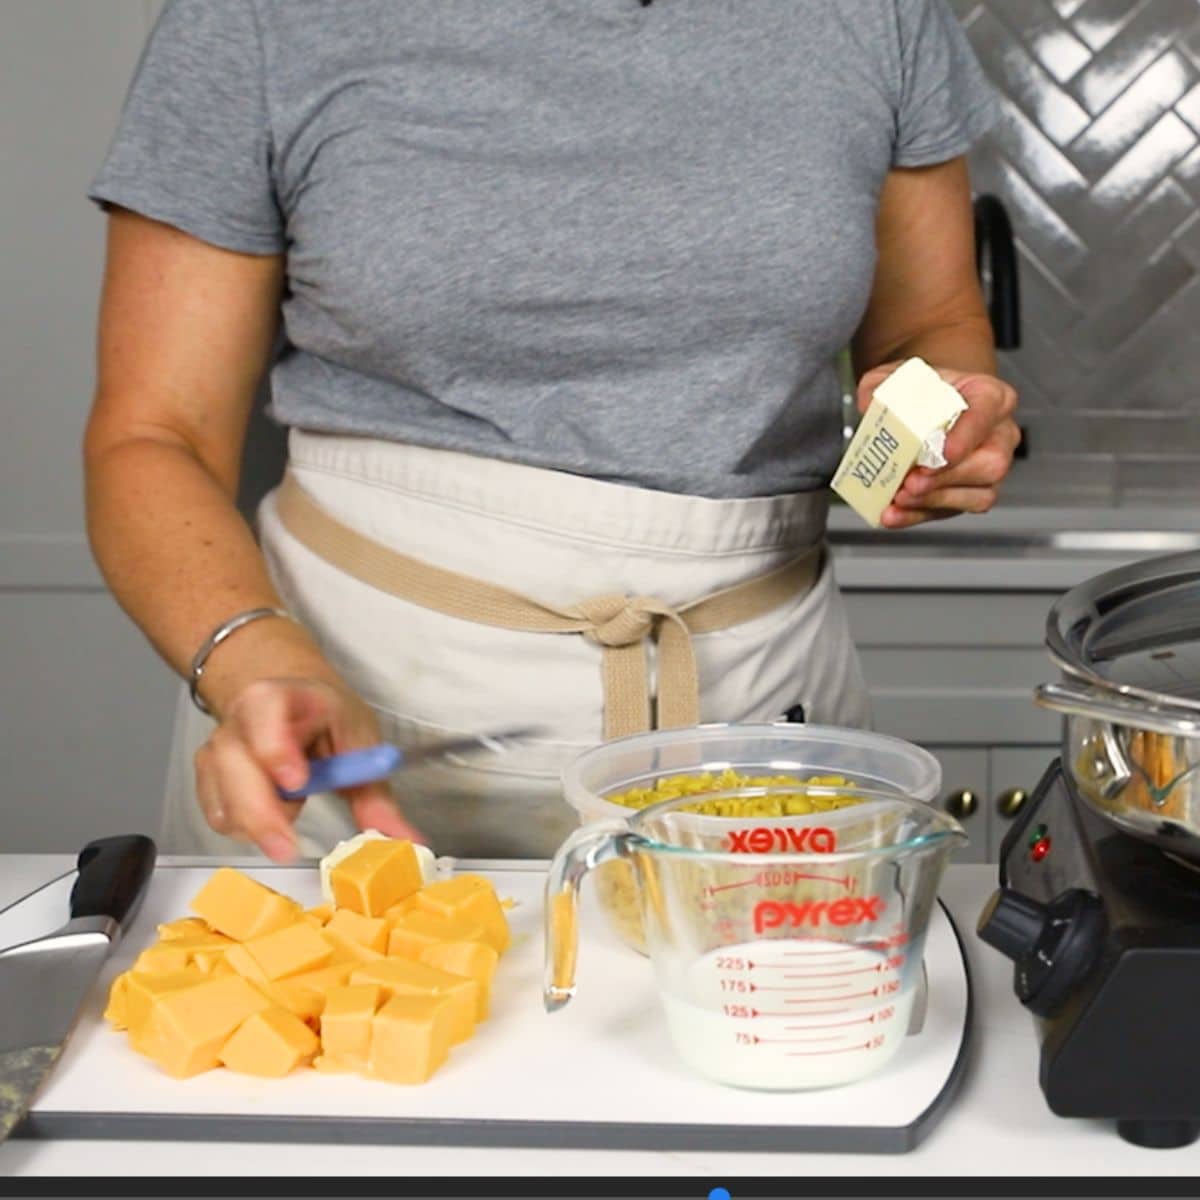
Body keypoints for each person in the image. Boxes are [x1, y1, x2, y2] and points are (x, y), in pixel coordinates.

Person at [83, 0, 1019, 865]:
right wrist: (256, 665)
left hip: (760, 714)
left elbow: (926, 325)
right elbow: (153, 433)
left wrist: (941, 413)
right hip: (350, 721)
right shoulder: (261, 19)